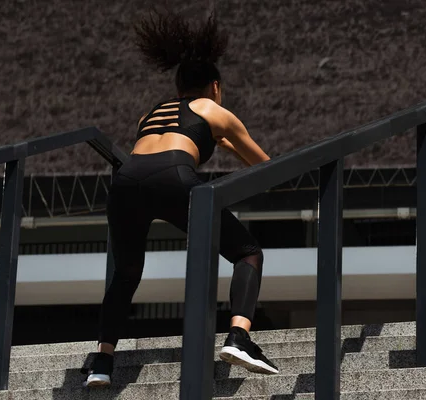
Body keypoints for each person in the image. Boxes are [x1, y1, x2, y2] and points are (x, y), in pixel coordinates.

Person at [82, 7, 279, 387]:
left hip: (125, 182)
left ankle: (102, 362)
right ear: (215, 87)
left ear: (177, 90)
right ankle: (239, 337)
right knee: (247, 252)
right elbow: (264, 165)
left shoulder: (150, 113)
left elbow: (158, 148)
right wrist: (227, 143)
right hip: (173, 175)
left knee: (125, 274)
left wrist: (212, 140)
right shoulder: (213, 109)